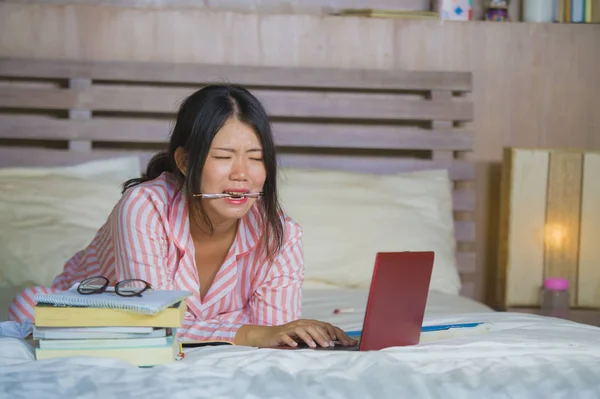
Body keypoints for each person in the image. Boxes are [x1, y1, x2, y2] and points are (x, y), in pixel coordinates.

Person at [8, 84, 356, 349]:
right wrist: (247, 329)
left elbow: (273, 335)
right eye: (223, 157)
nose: (242, 174)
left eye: (256, 157)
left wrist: (294, 336)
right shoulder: (143, 207)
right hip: (74, 319)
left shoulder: (282, 235)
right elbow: (153, 325)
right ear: (186, 162)